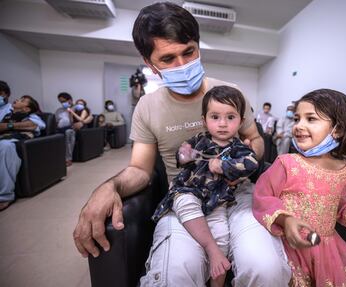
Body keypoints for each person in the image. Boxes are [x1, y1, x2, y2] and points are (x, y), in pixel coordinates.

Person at [73, 2, 291, 287]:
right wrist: (108, 186)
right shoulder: (147, 107)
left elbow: (255, 139)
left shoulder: (230, 93)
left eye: (189, 52)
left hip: (237, 198)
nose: (182, 65)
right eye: (168, 59)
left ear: (198, 46)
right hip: (187, 202)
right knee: (174, 278)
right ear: (150, 63)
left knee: (267, 271)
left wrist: (241, 164)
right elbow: (140, 168)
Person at [253, 89, 346, 286]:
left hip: (325, 249)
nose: (299, 126)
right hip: (288, 246)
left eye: (311, 119)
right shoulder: (287, 163)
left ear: (338, 129)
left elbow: (334, 200)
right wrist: (286, 219)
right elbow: (262, 197)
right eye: (297, 119)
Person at [152, 86, 259, 286]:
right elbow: (181, 156)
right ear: (204, 120)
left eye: (230, 117)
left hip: (217, 200)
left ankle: (217, 275)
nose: (222, 124)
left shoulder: (238, 148)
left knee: (223, 236)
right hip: (188, 190)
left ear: (241, 122)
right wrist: (184, 155)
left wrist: (224, 165)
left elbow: (251, 163)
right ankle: (211, 248)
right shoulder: (198, 140)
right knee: (184, 202)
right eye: (215, 117)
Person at [0, 95, 45, 210]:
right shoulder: (6, 115)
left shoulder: (31, 116)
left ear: (26, 109)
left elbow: (36, 125)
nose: (17, 100)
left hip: (17, 142)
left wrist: (8, 126)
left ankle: (5, 196)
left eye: (22, 100)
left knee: (5, 146)